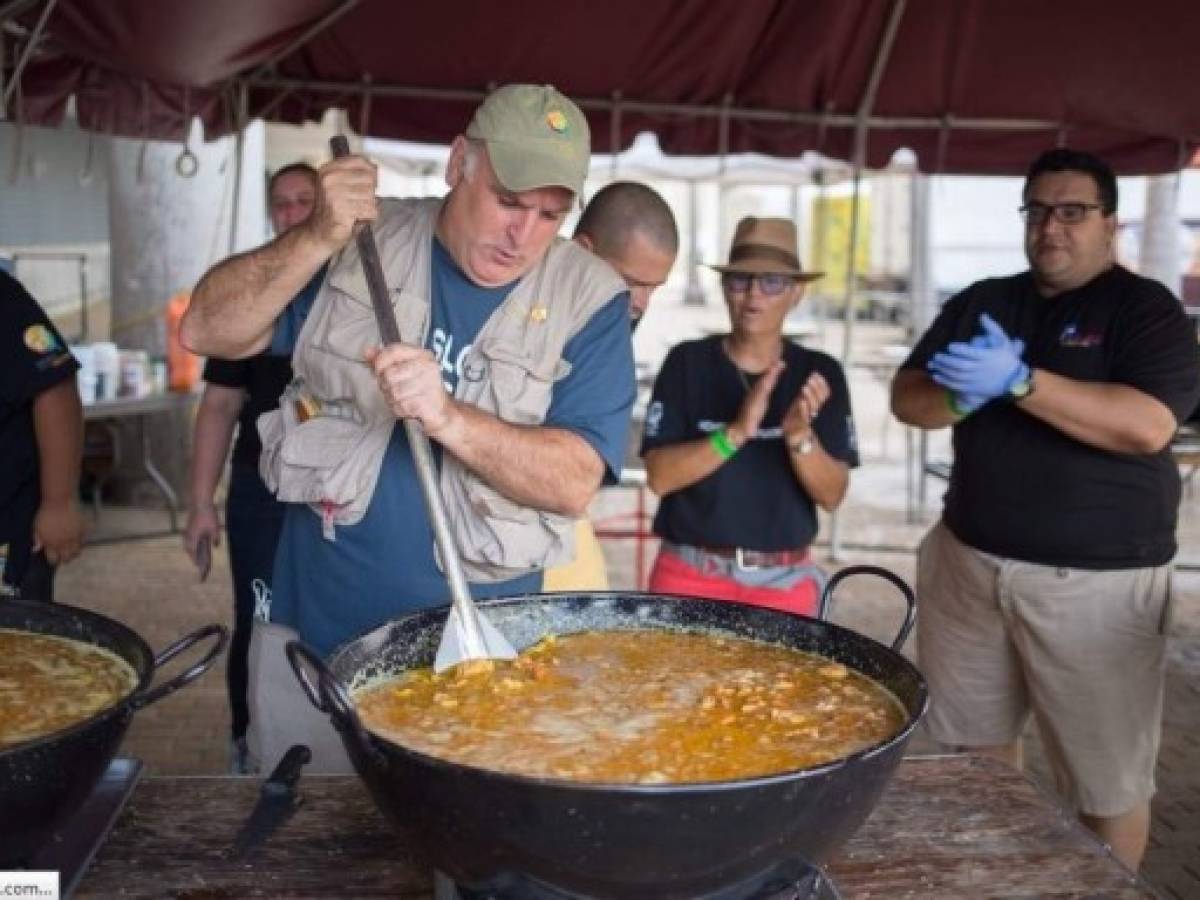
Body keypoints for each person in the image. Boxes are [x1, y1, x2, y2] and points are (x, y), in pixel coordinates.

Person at [182, 84, 636, 771]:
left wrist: (450, 417)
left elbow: (574, 482)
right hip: (316, 646)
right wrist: (313, 236)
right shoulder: (358, 245)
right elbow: (205, 326)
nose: (525, 235)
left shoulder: (590, 300)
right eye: (509, 202)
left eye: (550, 213)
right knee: (301, 857)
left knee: (447, 868)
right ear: (459, 163)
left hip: (475, 669)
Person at [890, 147, 1200, 871]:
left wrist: (1023, 381)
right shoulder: (984, 300)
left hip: (1095, 586)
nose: (1050, 228)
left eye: (1071, 212)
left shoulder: (1145, 310)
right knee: (976, 758)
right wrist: (962, 395)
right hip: (970, 565)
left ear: (1109, 223)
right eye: (1036, 210)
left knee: (1104, 780)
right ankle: (1000, 881)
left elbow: (1147, 424)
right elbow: (909, 399)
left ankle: (1106, 888)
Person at [640, 217, 858, 614]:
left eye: (772, 281)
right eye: (740, 280)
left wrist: (798, 437)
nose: (753, 294)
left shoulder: (820, 373)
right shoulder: (687, 362)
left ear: (797, 292)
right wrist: (736, 432)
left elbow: (832, 495)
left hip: (783, 580)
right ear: (724, 288)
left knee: (792, 680)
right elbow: (659, 477)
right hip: (690, 574)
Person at [182, 162, 320, 774]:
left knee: (328, 616)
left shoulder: (355, 287)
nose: (291, 214)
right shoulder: (248, 294)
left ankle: (334, 746)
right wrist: (198, 503)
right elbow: (218, 406)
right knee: (259, 618)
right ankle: (249, 742)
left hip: (334, 493)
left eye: (304, 202)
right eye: (281, 204)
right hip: (260, 490)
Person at [543, 181, 678, 591]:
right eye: (631, 281)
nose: (642, 303)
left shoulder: (610, 326)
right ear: (583, 251)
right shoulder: (522, 306)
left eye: (653, 288)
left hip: (567, 545)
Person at [0, 270, 84, 602]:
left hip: (8, 528)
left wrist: (59, 502)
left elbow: (54, 386)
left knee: (15, 645)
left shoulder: (5, 298)